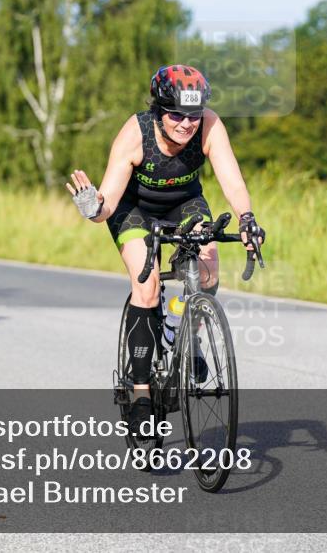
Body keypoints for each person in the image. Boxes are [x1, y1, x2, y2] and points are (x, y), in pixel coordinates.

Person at [66, 64, 265, 434]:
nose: (186, 124)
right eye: (176, 114)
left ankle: (184, 328)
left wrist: (246, 217)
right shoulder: (134, 134)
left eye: (192, 115)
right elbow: (107, 204)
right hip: (133, 209)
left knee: (208, 265)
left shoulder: (209, 125)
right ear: (158, 109)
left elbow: (232, 180)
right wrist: (92, 207)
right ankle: (140, 393)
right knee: (148, 284)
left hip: (184, 203)